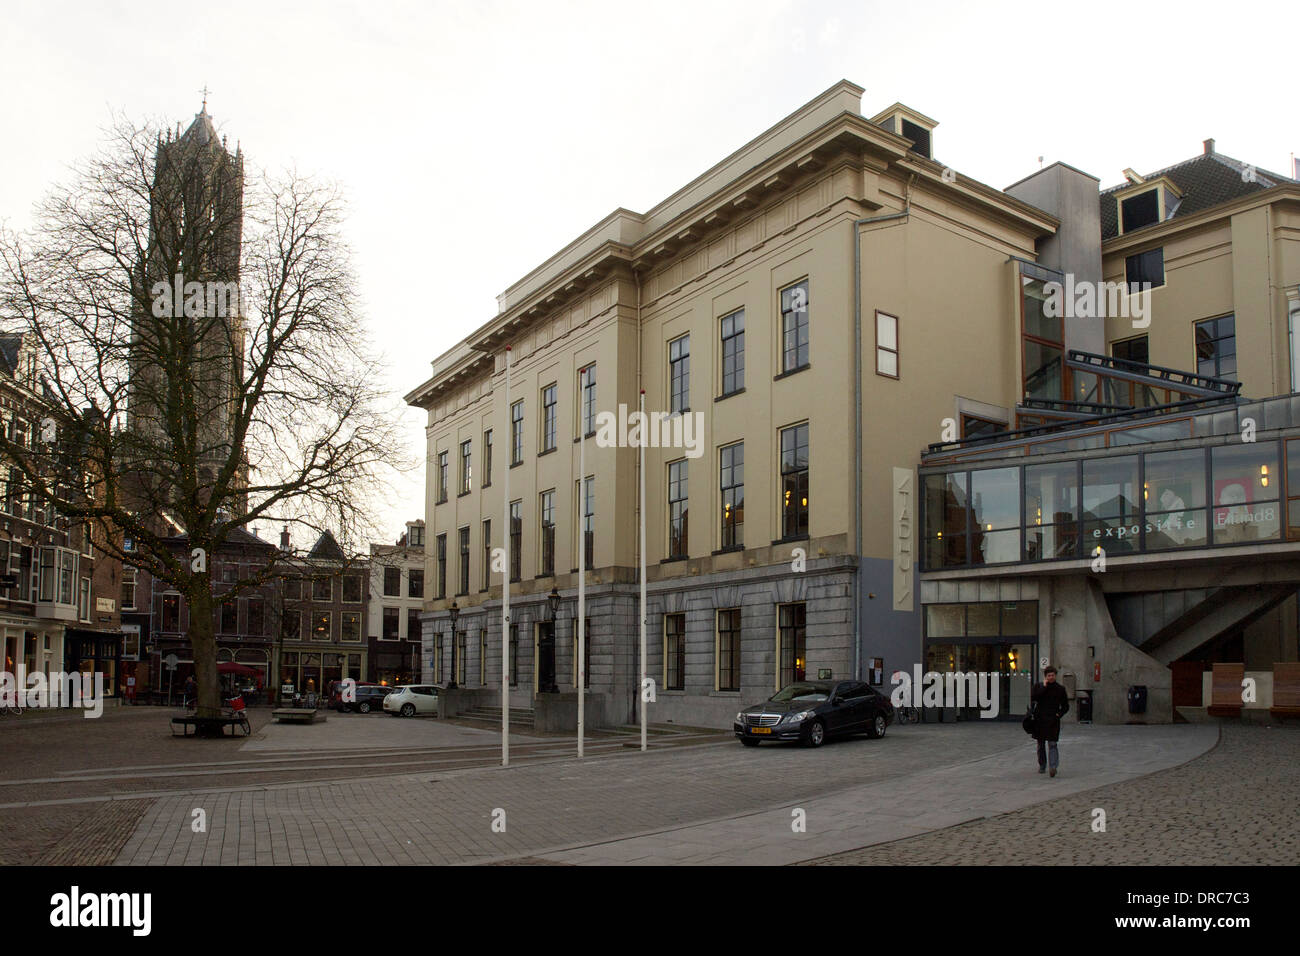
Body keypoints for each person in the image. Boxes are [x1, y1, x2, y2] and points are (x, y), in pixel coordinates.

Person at [1031, 665, 1070, 777]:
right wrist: (1044, 687)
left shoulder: (1060, 689)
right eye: (1049, 676)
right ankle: (1042, 765)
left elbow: (1065, 706)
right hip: (1040, 719)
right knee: (1041, 744)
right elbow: (1034, 698)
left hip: (1053, 719)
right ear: (1045, 676)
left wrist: (1059, 714)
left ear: (1055, 676)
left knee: (1053, 743)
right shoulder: (1039, 686)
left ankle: (1053, 767)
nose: (1051, 677)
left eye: (1053, 675)